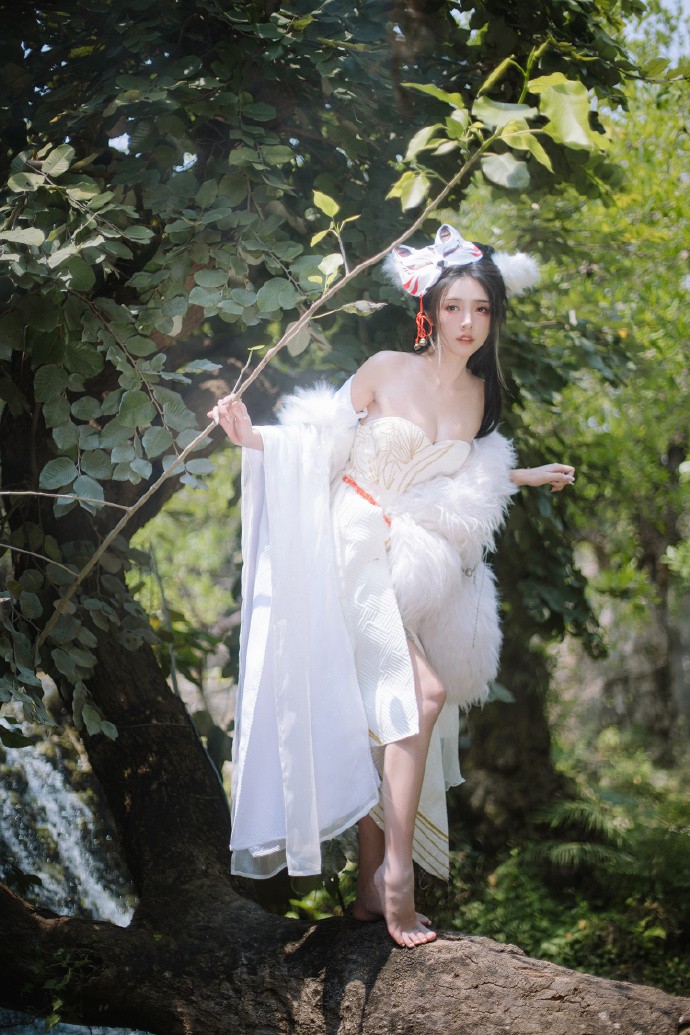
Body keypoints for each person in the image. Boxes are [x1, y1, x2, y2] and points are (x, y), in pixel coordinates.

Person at [209, 225, 575, 949]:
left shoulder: (481, 395)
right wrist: (255, 438)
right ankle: (398, 880)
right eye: (455, 307)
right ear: (429, 311)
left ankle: (368, 890)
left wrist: (524, 475)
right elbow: (322, 439)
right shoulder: (385, 368)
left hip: (401, 552)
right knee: (423, 693)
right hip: (350, 536)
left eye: (481, 310)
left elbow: (458, 474)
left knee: (390, 708)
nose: (468, 323)